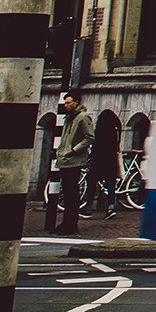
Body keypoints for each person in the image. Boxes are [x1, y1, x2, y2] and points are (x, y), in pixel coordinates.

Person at [49, 93, 92, 235]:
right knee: (67, 193)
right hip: (66, 160)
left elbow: (89, 137)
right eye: (65, 103)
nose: (65, 105)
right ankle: (66, 222)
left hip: (74, 160)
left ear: (77, 102)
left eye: (68, 103)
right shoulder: (70, 118)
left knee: (72, 193)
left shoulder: (82, 117)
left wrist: (74, 150)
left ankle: (71, 224)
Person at [89, 109, 122, 219]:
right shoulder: (114, 131)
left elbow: (96, 146)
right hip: (111, 161)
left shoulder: (100, 130)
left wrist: (92, 155)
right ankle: (110, 207)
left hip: (100, 160)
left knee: (91, 182)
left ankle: (88, 206)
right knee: (111, 185)